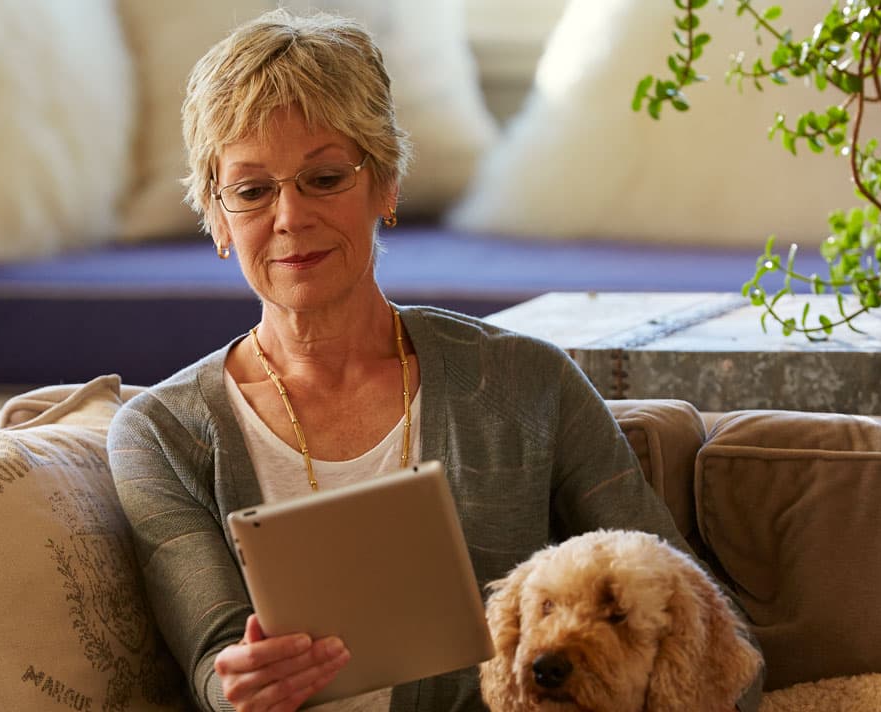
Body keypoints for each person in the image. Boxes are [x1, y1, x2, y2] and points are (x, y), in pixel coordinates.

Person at [107, 10, 762, 712]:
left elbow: (714, 647)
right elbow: (211, 662)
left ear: (384, 184)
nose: (290, 217)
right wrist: (237, 685)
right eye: (252, 191)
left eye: (325, 178)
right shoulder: (160, 434)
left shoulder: (526, 383)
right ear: (216, 216)